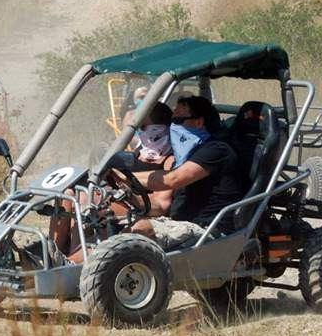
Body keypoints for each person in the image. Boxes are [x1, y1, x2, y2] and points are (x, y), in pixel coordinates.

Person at [49, 102, 176, 262]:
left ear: (159, 127)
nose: (140, 132)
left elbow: (161, 204)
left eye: (143, 126)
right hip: (117, 198)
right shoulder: (140, 151)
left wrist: (126, 192)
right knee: (67, 195)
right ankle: (53, 254)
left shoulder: (169, 160)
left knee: (86, 201)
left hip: (140, 207)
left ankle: (71, 258)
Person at [127, 96, 245, 251]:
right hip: (179, 225)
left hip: (208, 231)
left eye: (177, 121)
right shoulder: (185, 155)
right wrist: (125, 192)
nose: (172, 127)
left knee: (139, 230)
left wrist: (124, 176)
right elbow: (162, 204)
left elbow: (171, 180)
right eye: (171, 121)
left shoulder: (216, 150)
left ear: (198, 122)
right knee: (109, 226)